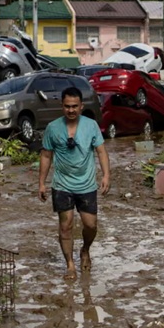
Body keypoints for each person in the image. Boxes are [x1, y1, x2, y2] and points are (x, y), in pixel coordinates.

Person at [39, 86, 110, 280]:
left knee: (90, 225)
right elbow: (46, 155)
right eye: (67, 106)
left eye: (74, 106)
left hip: (87, 185)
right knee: (66, 225)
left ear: (81, 106)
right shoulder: (53, 128)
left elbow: (101, 151)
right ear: (62, 106)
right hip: (62, 185)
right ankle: (70, 265)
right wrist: (42, 183)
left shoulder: (91, 126)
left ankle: (85, 249)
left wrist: (106, 175)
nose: (71, 110)